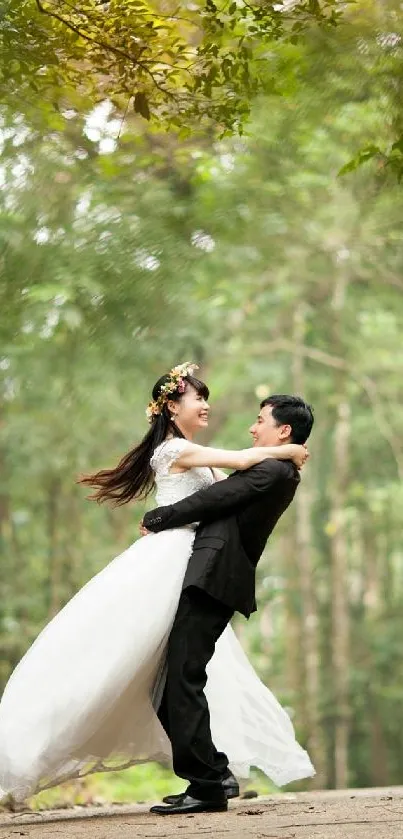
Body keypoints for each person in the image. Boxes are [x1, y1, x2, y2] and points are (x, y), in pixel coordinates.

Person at [0, 363, 314, 805]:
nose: (206, 405)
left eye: (206, 397)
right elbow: (241, 465)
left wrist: (284, 456)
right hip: (168, 563)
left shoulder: (202, 454)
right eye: (197, 398)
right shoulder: (174, 451)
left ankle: (211, 778)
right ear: (171, 406)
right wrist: (290, 452)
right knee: (153, 670)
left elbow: (227, 492)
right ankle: (209, 776)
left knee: (177, 675)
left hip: (192, 566)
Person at [142, 388, 315, 815]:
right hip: (208, 575)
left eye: (261, 421)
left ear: (284, 431)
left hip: (214, 577)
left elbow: (213, 498)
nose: (253, 428)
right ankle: (214, 774)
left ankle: (206, 786)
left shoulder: (274, 471)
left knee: (181, 677)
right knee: (176, 678)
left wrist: (160, 517)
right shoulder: (276, 466)